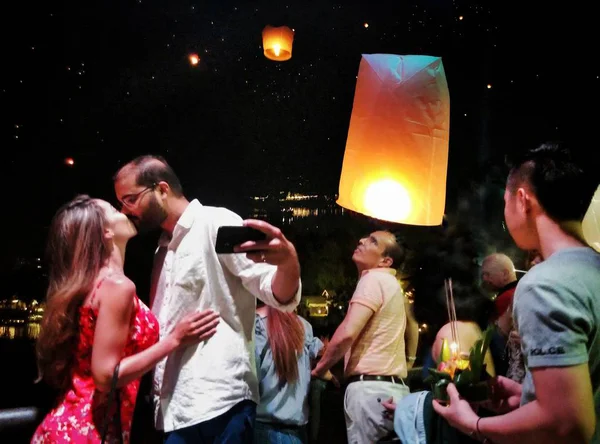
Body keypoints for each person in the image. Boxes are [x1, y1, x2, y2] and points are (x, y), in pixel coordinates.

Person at [113, 155, 301, 443]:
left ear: (162, 189)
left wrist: (289, 263)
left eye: (130, 199)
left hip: (220, 401)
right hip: (175, 408)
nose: (125, 210)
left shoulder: (216, 222)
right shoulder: (162, 250)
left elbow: (274, 291)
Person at [433, 142, 600, 443]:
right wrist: (528, 396)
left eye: (505, 201)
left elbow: (567, 422)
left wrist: (474, 424)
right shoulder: (590, 270)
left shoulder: (545, 284)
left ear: (523, 200)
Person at [31, 195, 219, 443]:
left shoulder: (91, 285)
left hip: (71, 426)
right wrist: (175, 340)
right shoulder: (117, 287)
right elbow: (106, 376)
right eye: (113, 208)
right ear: (106, 232)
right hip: (88, 432)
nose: (123, 210)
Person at [311, 230, 417, 443]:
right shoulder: (392, 285)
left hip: (371, 393)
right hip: (392, 389)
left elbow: (347, 333)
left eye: (372, 242)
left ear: (385, 261)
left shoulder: (373, 280)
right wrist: (409, 361)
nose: (361, 240)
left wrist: (320, 370)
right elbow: (412, 326)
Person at [254, 301, 330, 443]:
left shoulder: (257, 324)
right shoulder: (303, 326)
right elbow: (322, 352)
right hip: (296, 430)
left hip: (263, 426)